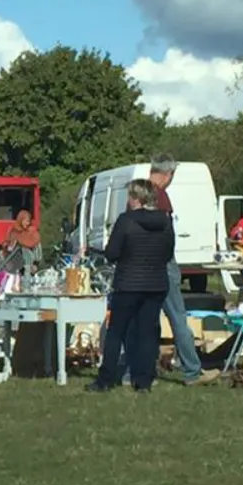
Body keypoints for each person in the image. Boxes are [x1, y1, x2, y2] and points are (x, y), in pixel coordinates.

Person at [88, 180, 174, 393]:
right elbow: (168, 254)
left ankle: (106, 379)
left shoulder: (126, 221)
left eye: (130, 196)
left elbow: (112, 253)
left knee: (116, 331)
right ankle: (144, 381)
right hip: (156, 283)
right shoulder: (165, 221)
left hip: (128, 283)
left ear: (136, 198)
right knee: (148, 332)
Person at [146, 155, 220, 387]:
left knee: (145, 320)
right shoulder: (160, 196)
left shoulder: (138, 193)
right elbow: (165, 235)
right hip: (163, 264)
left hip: (143, 265)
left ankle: (139, 371)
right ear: (167, 174)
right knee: (178, 318)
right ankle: (192, 371)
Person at [1, 209, 42, 275]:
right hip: (15, 266)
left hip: (29, 267)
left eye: (28, 221)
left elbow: (37, 248)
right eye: (25, 221)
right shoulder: (13, 231)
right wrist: (9, 246)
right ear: (20, 220)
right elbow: (7, 247)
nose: (27, 223)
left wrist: (35, 264)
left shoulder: (32, 232)